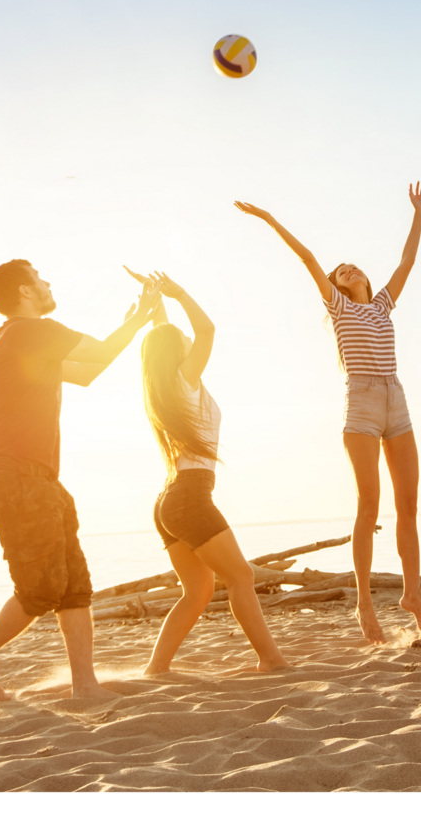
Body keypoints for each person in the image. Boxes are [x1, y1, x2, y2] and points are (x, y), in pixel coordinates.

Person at [234, 185, 421, 645]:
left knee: (409, 506)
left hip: (396, 399)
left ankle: (413, 599)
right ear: (338, 285)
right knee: (369, 505)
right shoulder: (339, 306)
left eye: (352, 266)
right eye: (340, 271)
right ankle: (365, 602)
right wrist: (269, 216)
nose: (348, 269)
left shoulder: (383, 305)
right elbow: (308, 259)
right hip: (362, 405)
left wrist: (419, 214)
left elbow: (407, 263)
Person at [0, 260, 159, 702]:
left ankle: (85, 686)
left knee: (73, 586)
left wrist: (130, 323)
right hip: (12, 474)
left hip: (36, 476)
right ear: (26, 292)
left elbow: (87, 372)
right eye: (40, 279)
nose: (48, 284)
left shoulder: (19, 339)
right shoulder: (31, 331)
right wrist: (141, 318)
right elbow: (100, 353)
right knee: (41, 588)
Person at [130, 270, 291, 675]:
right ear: (177, 354)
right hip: (189, 497)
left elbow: (165, 334)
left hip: (170, 500)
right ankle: (271, 661)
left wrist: (155, 300)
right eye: (182, 341)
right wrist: (179, 292)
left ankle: (156, 669)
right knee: (240, 577)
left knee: (198, 590)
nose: (188, 339)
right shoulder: (185, 379)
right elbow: (207, 328)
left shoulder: (167, 385)